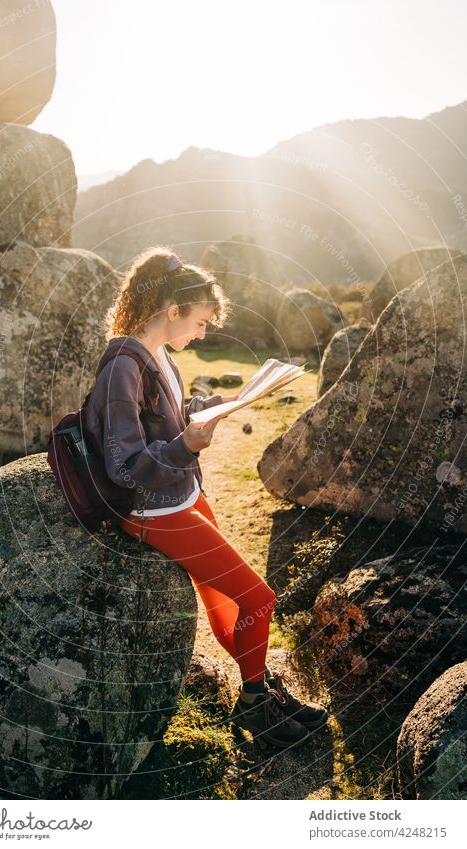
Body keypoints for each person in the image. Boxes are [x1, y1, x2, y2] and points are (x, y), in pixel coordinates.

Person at [84, 244, 328, 749]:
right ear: (172, 311)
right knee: (260, 598)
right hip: (151, 508)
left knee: (229, 609)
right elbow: (124, 463)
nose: (202, 333)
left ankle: (257, 687)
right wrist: (184, 445)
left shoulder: (157, 356)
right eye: (199, 322)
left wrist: (225, 402)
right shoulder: (122, 367)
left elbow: (171, 414)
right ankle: (257, 706)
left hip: (180, 494)